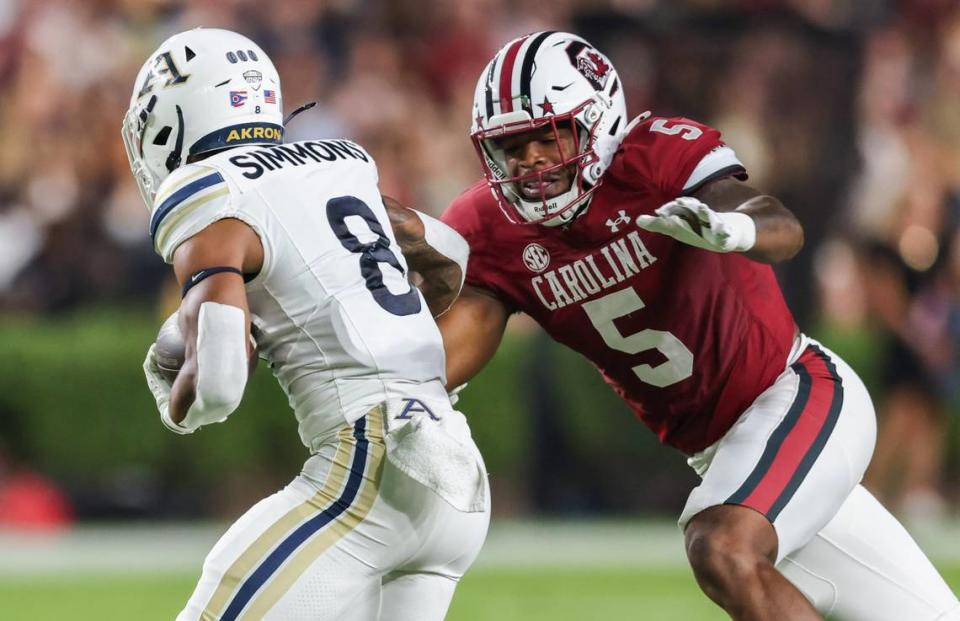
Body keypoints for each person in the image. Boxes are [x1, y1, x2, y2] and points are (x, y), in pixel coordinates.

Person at [425, 31, 958, 620]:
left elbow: (778, 221)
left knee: (722, 546)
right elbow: (449, 349)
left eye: (546, 138)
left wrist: (736, 230)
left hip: (796, 391)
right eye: (510, 147)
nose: (529, 162)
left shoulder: (653, 159)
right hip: (725, 450)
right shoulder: (489, 227)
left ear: (597, 122)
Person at [125, 28, 489, 621]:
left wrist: (177, 388)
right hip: (454, 467)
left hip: (369, 467)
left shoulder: (209, 192)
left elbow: (217, 388)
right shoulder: (339, 163)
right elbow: (450, 258)